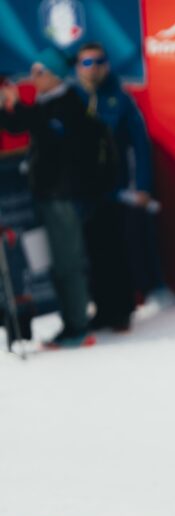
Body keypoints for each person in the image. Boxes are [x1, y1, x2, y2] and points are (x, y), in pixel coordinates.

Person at [0, 49, 96, 348]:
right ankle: (71, 323)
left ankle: (78, 326)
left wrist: (17, 107)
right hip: (48, 195)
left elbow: (46, 129)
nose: (33, 78)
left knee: (69, 261)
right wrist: (10, 106)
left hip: (62, 196)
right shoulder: (48, 104)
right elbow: (23, 124)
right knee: (55, 260)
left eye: (39, 72)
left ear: (54, 75)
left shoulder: (67, 104)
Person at [73, 41, 153, 333]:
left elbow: (140, 144)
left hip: (114, 189)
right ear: (77, 67)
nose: (92, 68)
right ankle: (102, 308)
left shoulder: (119, 99)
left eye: (97, 61)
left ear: (106, 65)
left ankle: (122, 310)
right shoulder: (73, 99)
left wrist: (142, 185)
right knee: (92, 252)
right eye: (85, 62)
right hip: (83, 191)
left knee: (116, 250)